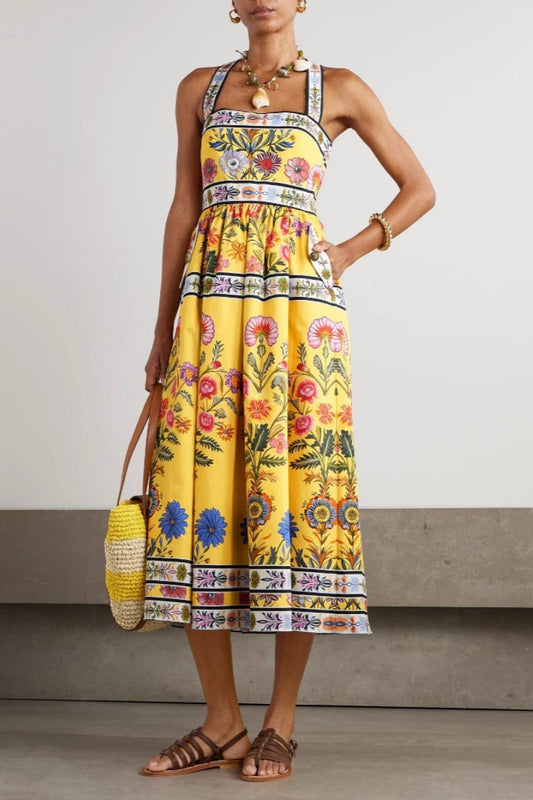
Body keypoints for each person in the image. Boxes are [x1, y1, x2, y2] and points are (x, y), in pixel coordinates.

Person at [140, 0, 435, 782]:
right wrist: (162, 329)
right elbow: (185, 206)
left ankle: (279, 722)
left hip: (299, 321)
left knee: (295, 494)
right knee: (195, 489)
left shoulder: (340, 87)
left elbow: (418, 188)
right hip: (209, 315)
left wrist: (350, 249)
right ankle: (221, 721)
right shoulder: (199, 88)